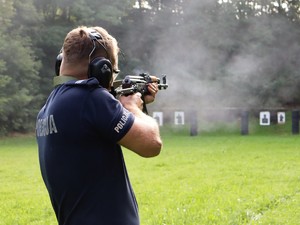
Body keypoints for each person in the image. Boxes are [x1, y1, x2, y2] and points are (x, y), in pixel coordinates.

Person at [36, 26, 162, 225]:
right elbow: (151, 144)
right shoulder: (90, 98)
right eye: (111, 70)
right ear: (101, 67)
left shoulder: (47, 109)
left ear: (61, 62)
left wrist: (129, 105)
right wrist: (133, 107)